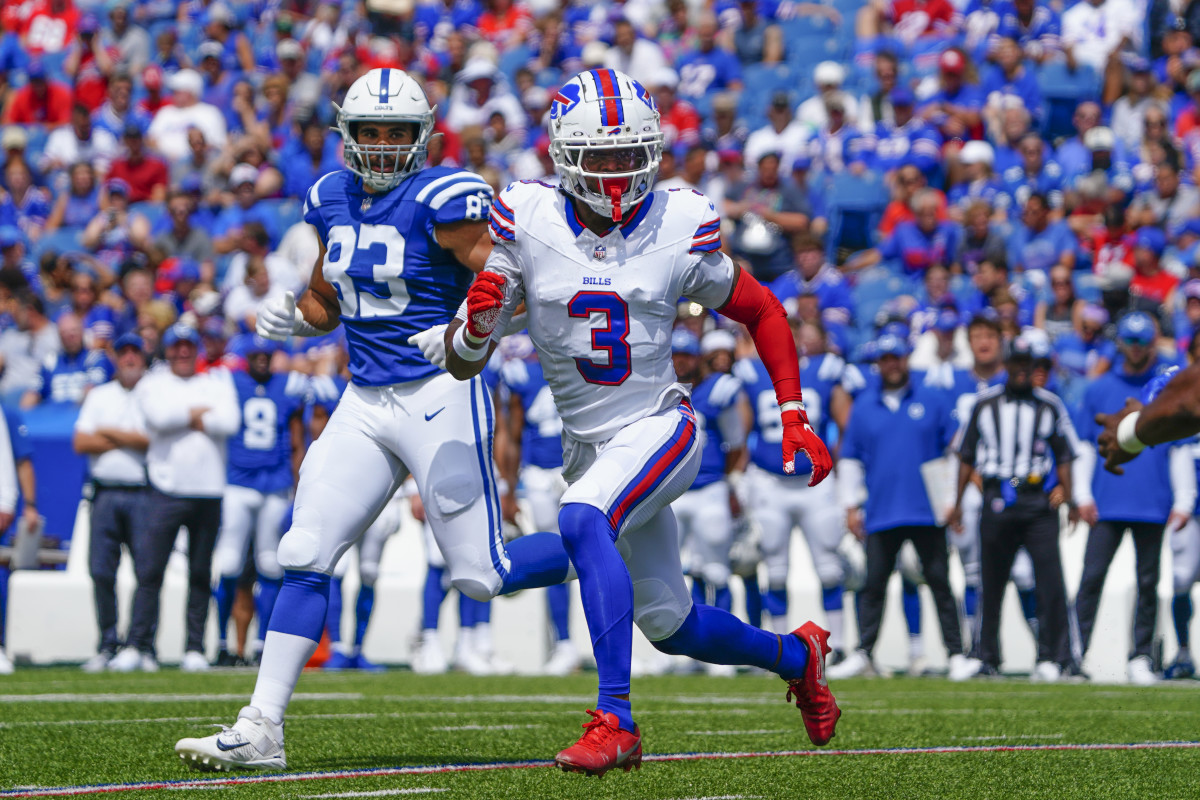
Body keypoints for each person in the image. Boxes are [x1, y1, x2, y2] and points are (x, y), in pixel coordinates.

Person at [433, 68, 838, 777]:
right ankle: (798, 655)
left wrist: (794, 413)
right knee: (670, 624)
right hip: (589, 447)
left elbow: (763, 310)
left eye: (631, 155)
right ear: (564, 155)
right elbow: (466, 359)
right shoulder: (525, 216)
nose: (619, 171)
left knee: (584, 519)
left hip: (660, 425)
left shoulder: (677, 223)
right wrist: (476, 322)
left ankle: (616, 720)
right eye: (603, 156)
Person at [175, 68, 572, 772]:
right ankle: (262, 726)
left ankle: (602, 548)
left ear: (422, 138)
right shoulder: (330, 196)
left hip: (439, 391)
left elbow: (509, 285)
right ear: (347, 136)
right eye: (370, 132)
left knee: (483, 573)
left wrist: (463, 330)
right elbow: (331, 297)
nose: (383, 145)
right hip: (363, 399)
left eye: (396, 133)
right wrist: (298, 321)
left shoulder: (445, 198)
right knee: (303, 552)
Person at [830, 332, 979, 682]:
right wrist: (851, 506)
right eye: (885, 359)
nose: (892, 364)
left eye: (897, 357)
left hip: (927, 509)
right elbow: (850, 458)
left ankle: (956, 654)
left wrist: (952, 501)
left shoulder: (932, 399)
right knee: (874, 584)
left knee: (940, 582)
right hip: (882, 510)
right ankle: (864, 652)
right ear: (877, 364)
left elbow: (955, 451)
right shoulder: (864, 406)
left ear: (906, 359)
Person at [1073, 311, 1195, 684]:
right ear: (1120, 342)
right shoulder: (1097, 388)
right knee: (1091, 577)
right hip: (1108, 499)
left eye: (1145, 341)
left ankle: (1141, 655)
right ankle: (1075, 653)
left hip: (1151, 500)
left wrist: (1184, 498)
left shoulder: (1168, 379)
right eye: (1131, 340)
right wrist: (1080, 493)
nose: (1138, 348)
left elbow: (1180, 440)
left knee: (1148, 582)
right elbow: (1084, 446)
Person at [949, 336, 1079, 681]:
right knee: (991, 582)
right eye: (1017, 363)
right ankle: (986, 656)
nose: (1023, 370)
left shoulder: (1049, 404)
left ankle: (1053, 656)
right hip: (997, 498)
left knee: (1050, 581)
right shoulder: (984, 404)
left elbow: (1064, 453)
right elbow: (966, 455)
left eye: (1028, 364)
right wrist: (957, 502)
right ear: (1006, 365)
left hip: (1037, 501)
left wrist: (1069, 493)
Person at [111, 324, 239, 674]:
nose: (182, 352)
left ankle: (194, 647)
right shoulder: (154, 382)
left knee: (200, 574)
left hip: (209, 490)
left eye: (188, 346)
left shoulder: (216, 381)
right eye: (176, 346)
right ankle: (138, 644)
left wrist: (184, 416)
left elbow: (229, 421)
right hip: (166, 489)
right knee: (150, 571)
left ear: (196, 349)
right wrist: (197, 413)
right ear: (167, 350)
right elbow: (158, 418)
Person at [737, 320, 849, 657]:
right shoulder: (750, 371)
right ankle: (779, 645)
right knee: (775, 569)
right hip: (770, 481)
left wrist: (842, 471)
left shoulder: (826, 368)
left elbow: (845, 423)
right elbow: (741, 432)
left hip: (815, 482)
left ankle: (839, 646)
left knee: (830, 566)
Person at [210, 336, 307, 667]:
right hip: (238, 483)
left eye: (267, 354)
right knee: (228, 563)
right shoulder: (229, 381)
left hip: (275, 485)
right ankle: (222, 643)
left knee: (269, 564)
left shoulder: (288, 383)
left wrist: (297, 484)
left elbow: (296, 438)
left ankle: (265, 643)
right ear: (246, 356)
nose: (262, 359)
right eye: (256, 354)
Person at [669, 328, 748, 677]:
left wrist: (730, 484)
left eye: (687, 355)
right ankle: (687, 650)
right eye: (676, 355)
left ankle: (725, 650)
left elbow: (736, 443)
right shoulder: (659, 390)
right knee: (676, 572)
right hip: (671, 491)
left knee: (716, 570)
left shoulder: (719, 390)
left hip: (710, 488)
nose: (682, 361)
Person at [72, 332, 149, 673]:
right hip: (104, 491)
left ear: (144, 358)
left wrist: (109, 433)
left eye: (135, 352)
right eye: (124, 353)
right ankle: (108, 642)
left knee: (147, 571)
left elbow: (151, 441)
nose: (129, 358)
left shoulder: (154, 394)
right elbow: (81, 441)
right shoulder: (101, 395)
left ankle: (141, 644)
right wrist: (127, 438)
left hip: (144, 491)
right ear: (116, 358)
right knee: (102, 570)